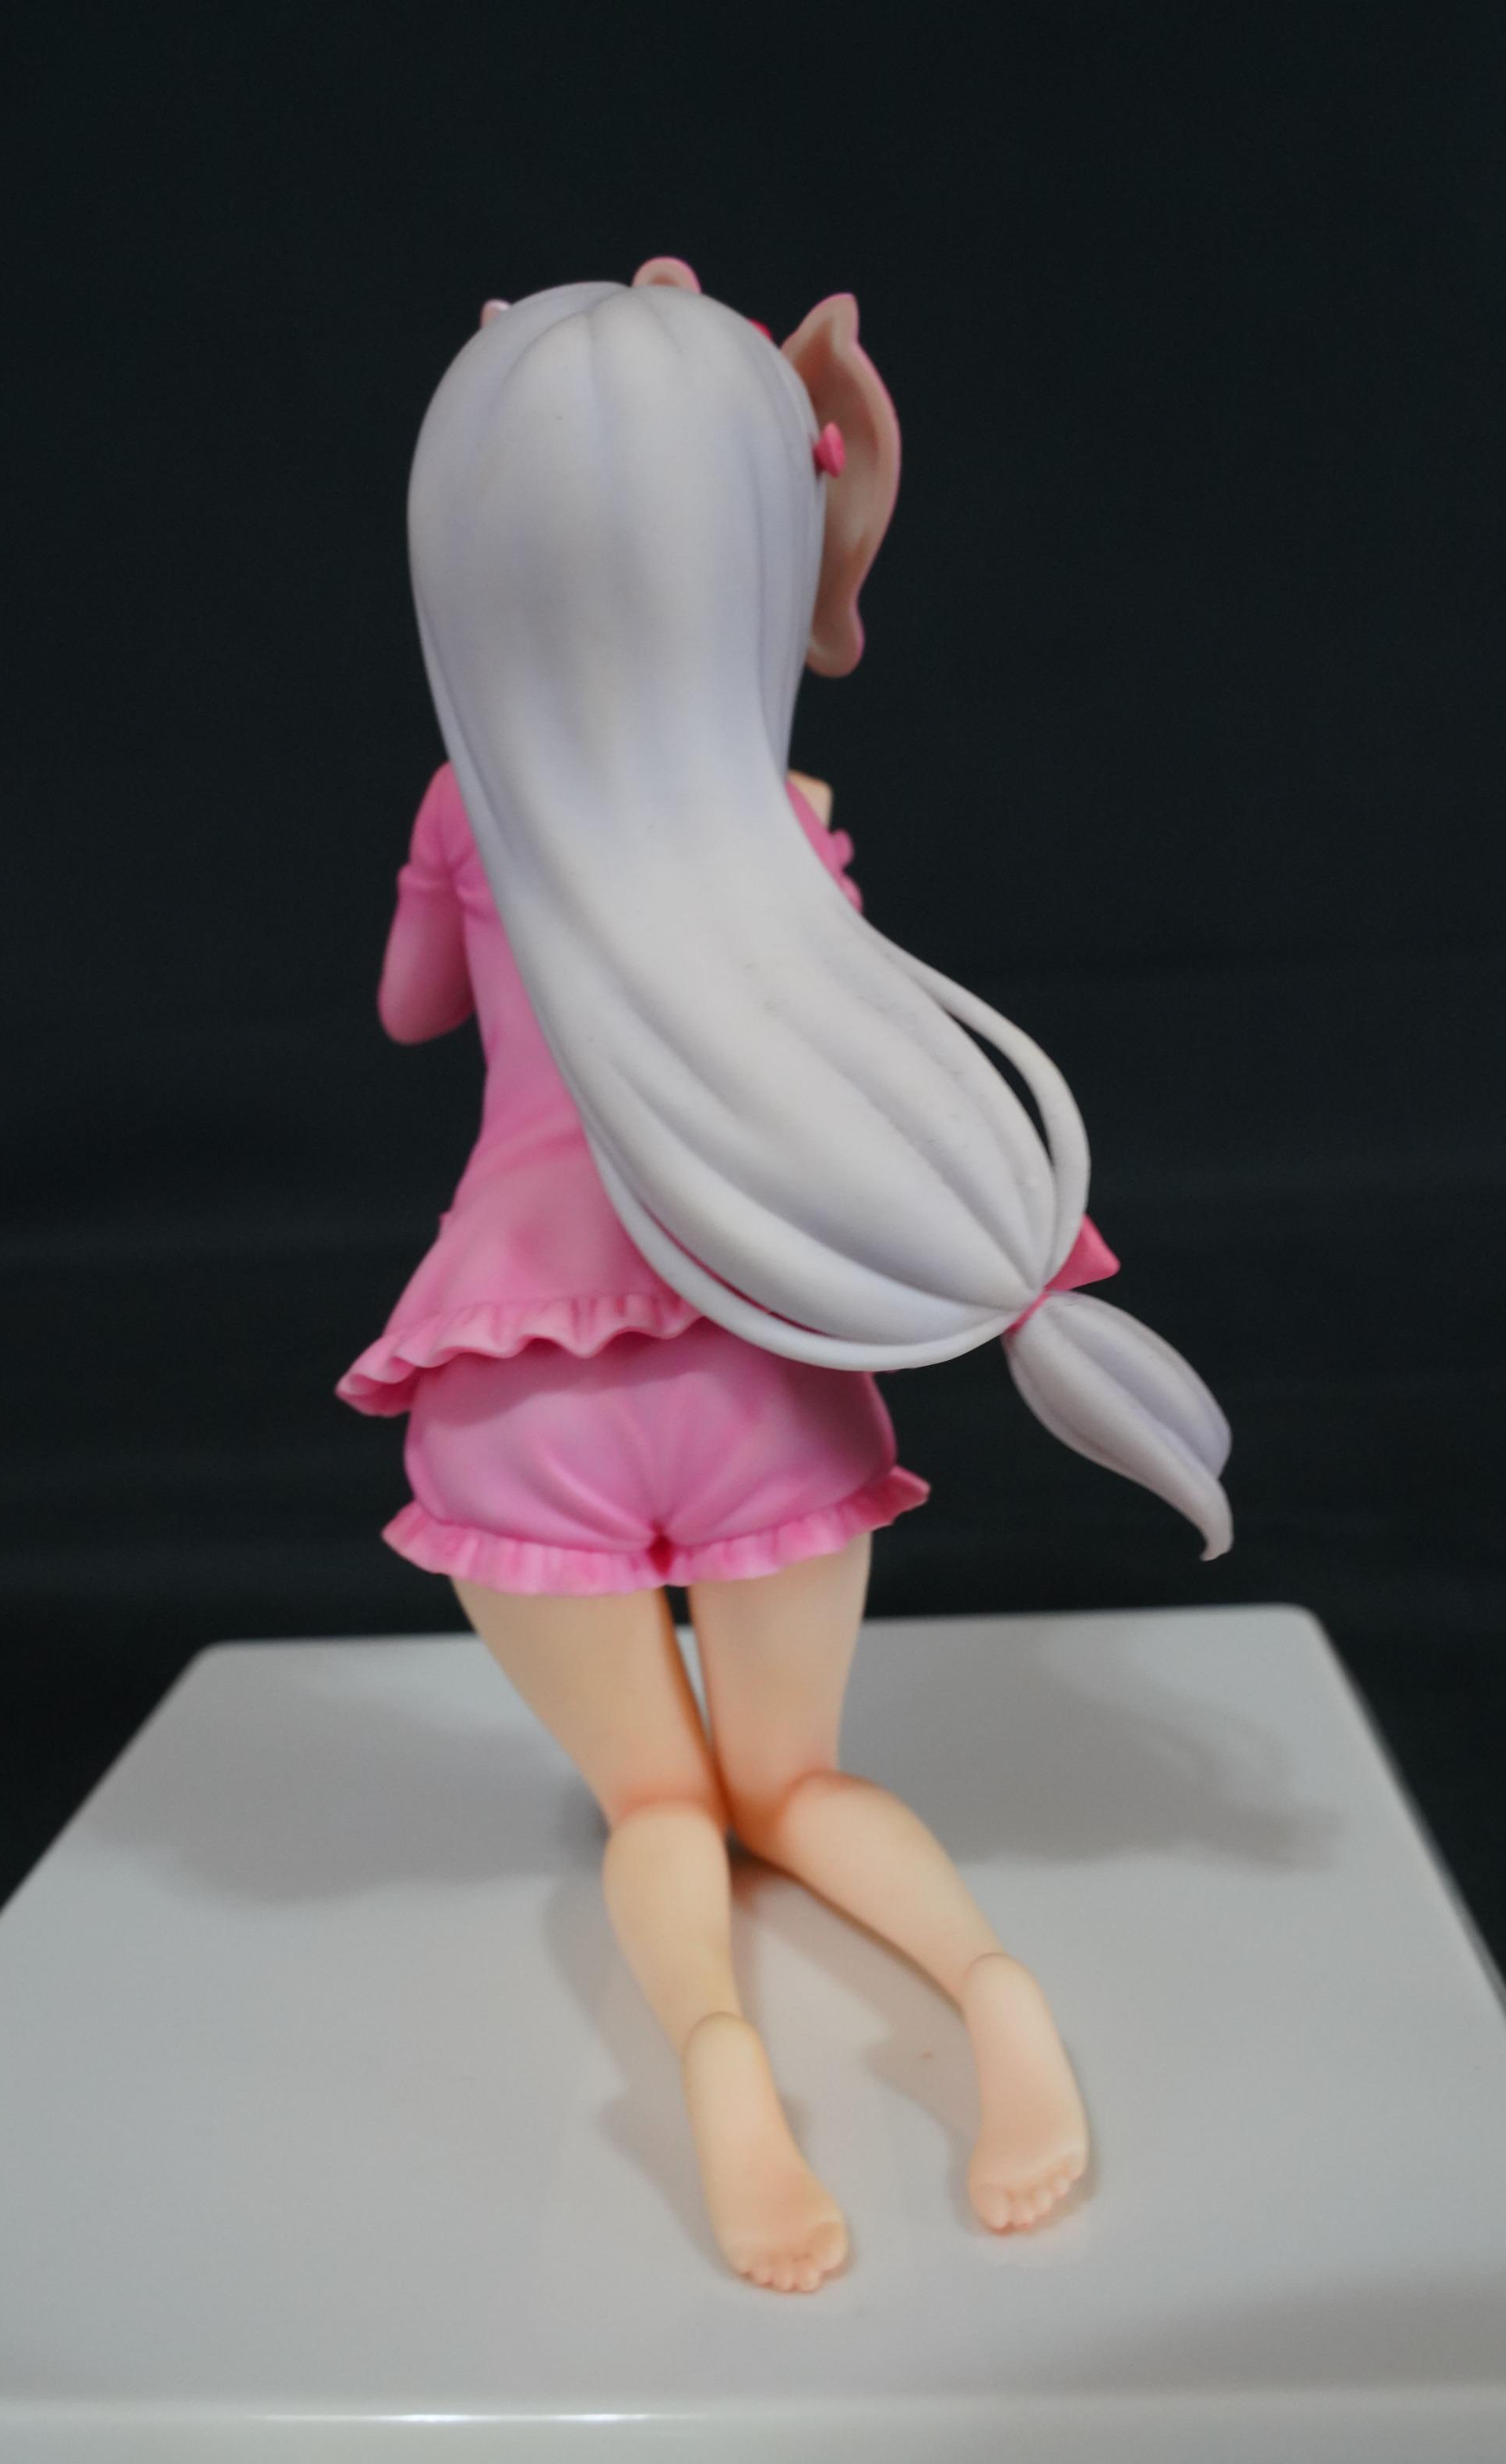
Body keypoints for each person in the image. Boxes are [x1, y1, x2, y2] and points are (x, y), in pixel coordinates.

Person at [339, 261, 1231, 2291]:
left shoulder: (464, 811)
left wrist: (460, 882)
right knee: (800, 1781)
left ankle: (720, 2075)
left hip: (511, 1372)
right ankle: (993, 1998)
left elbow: (410, 1012)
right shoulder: (789, 819)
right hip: (760, 1361)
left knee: (661, 1813)